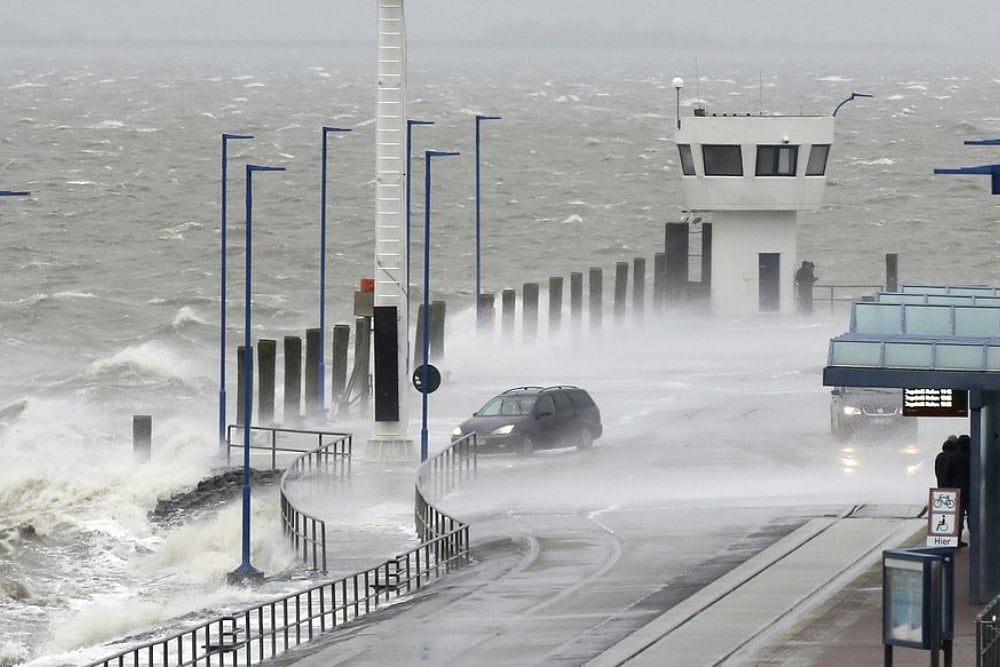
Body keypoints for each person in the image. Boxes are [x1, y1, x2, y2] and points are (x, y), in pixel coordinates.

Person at [948, 434, 971, 547]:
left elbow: (948, 474)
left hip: (957, 491)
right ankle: (975, 537)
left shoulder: (954, 457)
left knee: (957, 517)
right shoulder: (973, 456)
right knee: (972, 516)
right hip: (970, 491)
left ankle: (956, 539)